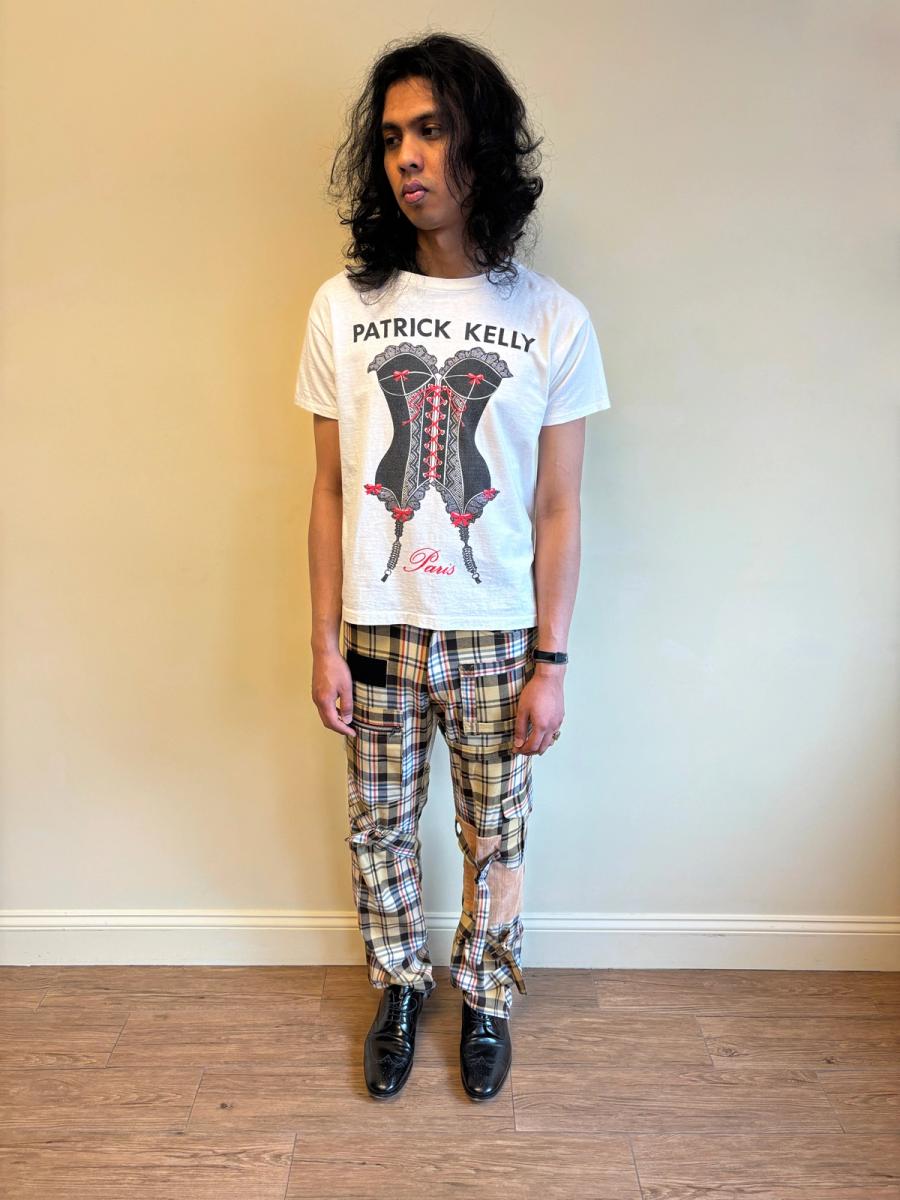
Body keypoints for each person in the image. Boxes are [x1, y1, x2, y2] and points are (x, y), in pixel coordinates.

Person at [293, 31, 611, 1101]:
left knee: (496, 832)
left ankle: (485, 995)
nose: (407, 157)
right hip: (379, 627)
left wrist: (551, 660)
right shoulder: (343, 309)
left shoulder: (551, 318)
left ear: (480, 143)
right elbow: (329, 490)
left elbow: (559, 505)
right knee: (378, 828)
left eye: (430, 130)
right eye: (391, 138)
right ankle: (398, 986)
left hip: (495, 633)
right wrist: (322, 642)